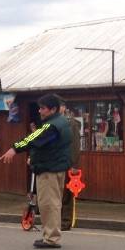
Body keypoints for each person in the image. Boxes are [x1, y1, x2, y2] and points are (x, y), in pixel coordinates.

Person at [0, 94, 72, 249]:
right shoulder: (62, 122)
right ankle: (51, 235)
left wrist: (14, 148)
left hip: (48, 170)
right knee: (54, 203)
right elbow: (46, 145)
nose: (40, 111)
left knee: (48, 204)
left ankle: (51, 238)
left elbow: (33, 139)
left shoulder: (51, 126)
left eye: (43, 108)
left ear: (53, 109)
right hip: (57, 167)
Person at [59, 99, 81, 231]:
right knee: (58, 193)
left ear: (63, 108)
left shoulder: (71, 123)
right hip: (56, 163)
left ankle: (65, 221)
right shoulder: (53, 122)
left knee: (67, 193)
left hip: (67, 162)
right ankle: (57, 220)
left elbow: (75, 145)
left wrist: (74, 164)